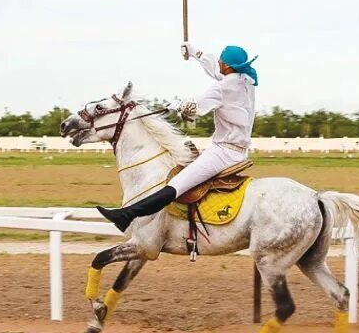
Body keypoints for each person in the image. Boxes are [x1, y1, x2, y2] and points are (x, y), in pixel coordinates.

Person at [97, 42, 258, 232]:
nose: (220, 64)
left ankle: (126, 215)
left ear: (228, 66)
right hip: (239, 151)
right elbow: (216, 67)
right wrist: (195, 52)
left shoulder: (222, 88)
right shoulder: (244, 80)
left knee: (177, 184)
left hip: (223, 153)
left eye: (223, 61)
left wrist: (177, 104)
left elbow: (194, 107)